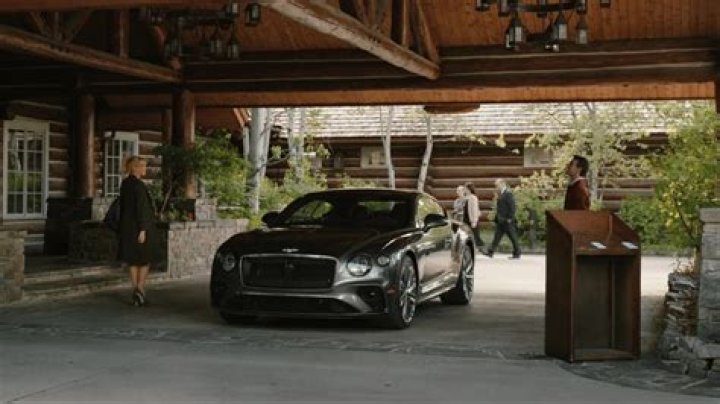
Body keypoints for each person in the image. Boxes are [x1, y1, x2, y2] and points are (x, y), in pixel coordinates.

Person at [118, 156, 157, 306]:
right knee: (145, 260)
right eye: (142, 166)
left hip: (127, 227)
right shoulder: (139, 186)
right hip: (140, 227)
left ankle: (136, 291)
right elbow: (141, 208)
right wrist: (143, 229)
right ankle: (140, 289)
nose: (145, 169)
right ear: (135, 168)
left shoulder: (125, 184)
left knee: (133, 260)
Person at [485, 178, 521, 259]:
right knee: (497, 237)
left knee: (513, 237)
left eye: (497, 185)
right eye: (496, 185)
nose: (496, 187)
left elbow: (512, 206)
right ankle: (490, 252)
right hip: (501, 220)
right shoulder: (501, 193)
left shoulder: (508, 193)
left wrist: (510, 218)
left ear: (502, 184)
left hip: (507, 220)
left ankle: (517, 253)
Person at [463, 182, 484, 249]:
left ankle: (481, 248)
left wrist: (474, 221)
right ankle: (469, 248)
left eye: (465, 188)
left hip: (472, 219)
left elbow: (475, 209)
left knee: (475, 236)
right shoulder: (465, 197)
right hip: (465, 219)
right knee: (467, 235)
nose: (464, 190)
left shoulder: (473, 198)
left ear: (469, 189)